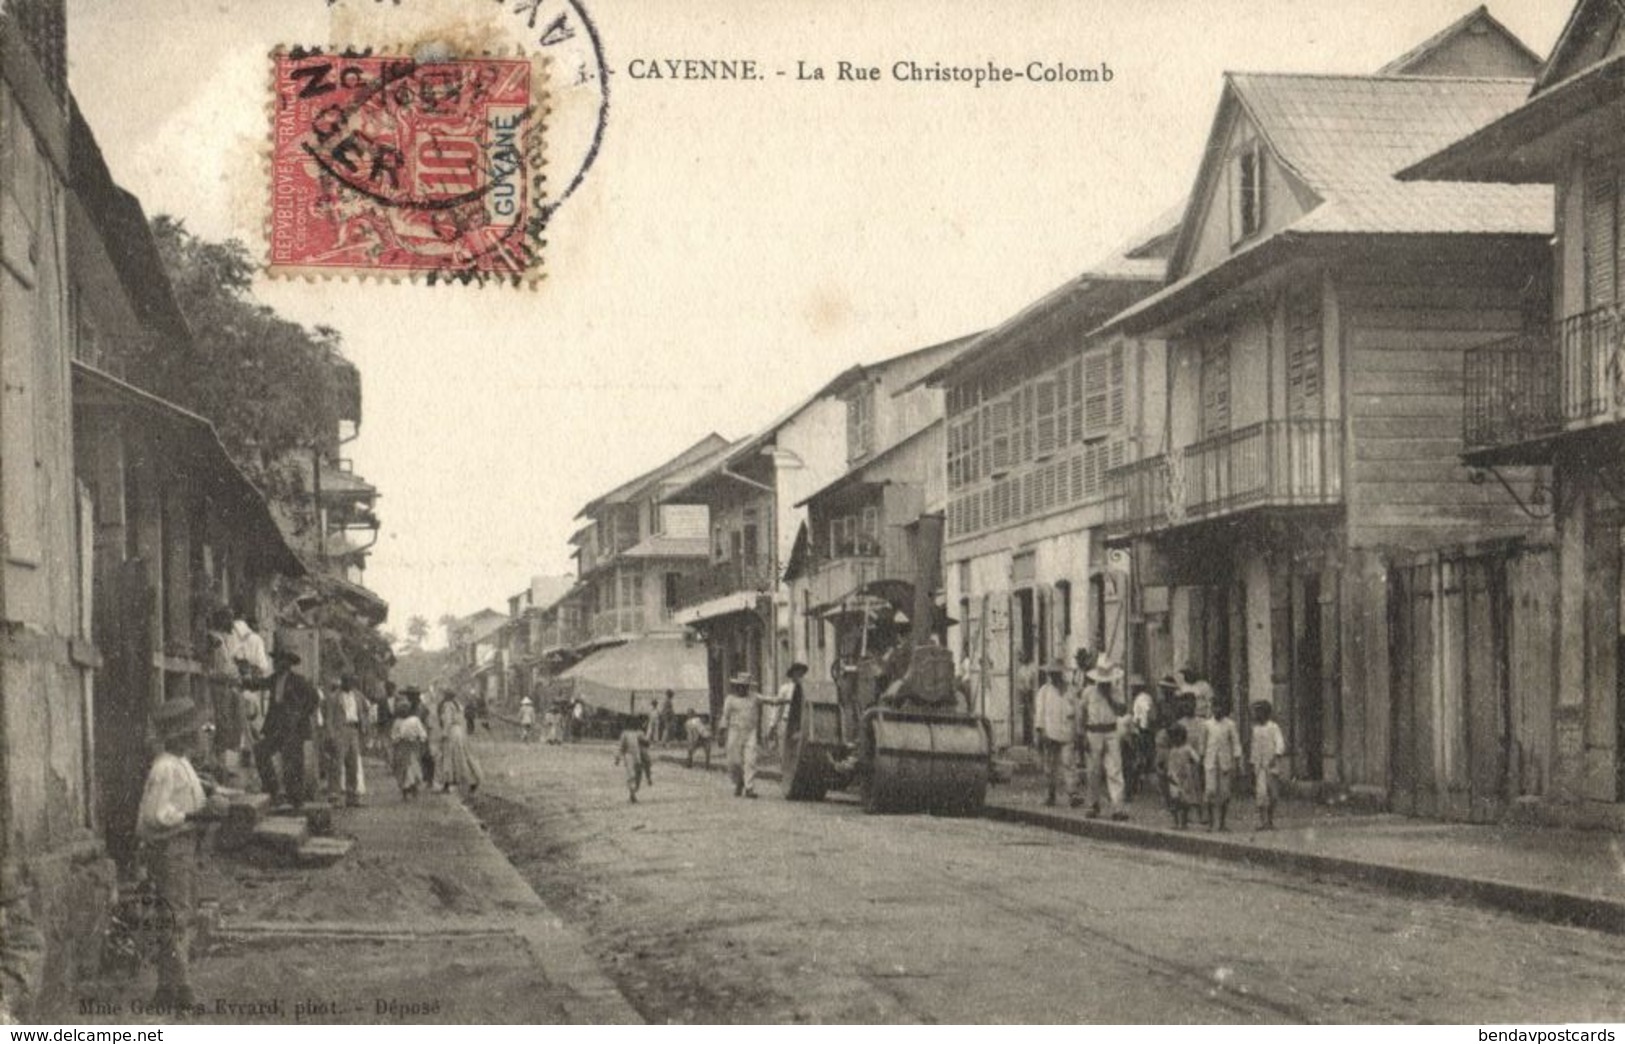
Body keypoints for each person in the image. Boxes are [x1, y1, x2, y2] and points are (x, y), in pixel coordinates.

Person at [137, 698, 226, 1009]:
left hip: (183, 847)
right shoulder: (164, 767)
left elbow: (187, 791)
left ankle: (165, 988)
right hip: (171, 847)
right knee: (177, 916)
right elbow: (155, 814)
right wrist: (193, 817)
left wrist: (206, 790)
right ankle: (184, 990)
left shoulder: (181, 763)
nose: (202, 735)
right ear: (182, 736)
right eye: (196, 731)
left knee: (175, 915)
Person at [247, 645, 319, 809]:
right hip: (276, 726)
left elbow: (314, 699)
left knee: (293, 762)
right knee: (261, 751)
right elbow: (259, 683)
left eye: (279, 660)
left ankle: (296, 800)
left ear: (287, 663)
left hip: (293, 728)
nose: (276, 663)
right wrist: (243, 681)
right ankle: (272, 791)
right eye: (276, 660)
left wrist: (300, 715)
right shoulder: (274, 678)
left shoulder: (298, 680)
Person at [719, 671, 791, 798]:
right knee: (733, 762)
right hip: (734, 733)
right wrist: (721, 732)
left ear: (748, 687)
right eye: (741, 686)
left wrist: (786, 700)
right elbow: (725, 716)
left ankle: (749, 788)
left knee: (750, 760)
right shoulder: (730, 700)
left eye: (745, 686)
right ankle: (739, 781)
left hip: (750, 732)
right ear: (736, 686)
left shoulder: (754, 697)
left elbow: (771, 700)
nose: (743, 688)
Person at [1080, 654, 1129, 820]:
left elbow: (1122, 711)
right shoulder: (1088, 692)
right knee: (1093, 770)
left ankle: (1118, 807)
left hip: (1111, 731)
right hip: (1093, 732)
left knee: (1115, 769)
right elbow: (1082, 714)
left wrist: (1110, 698)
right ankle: (1093, 804)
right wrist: (1082, 735)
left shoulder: (1116, 691)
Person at [1032, 659, 1076, 807]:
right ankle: (1050, 795)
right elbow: (1040, 713)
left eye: (1057, 674)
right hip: (1050, 733)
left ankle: (1072, 793)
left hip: (1067, 731)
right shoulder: (1044, 691)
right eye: (1052, 674)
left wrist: (1077, 730)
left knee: (1068, 762)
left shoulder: (1071, 690)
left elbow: (1076, 711)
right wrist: (1040, 731)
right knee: (1049, 766)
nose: (1054, 676)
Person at [323, 674, 368, 807]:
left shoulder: (358, 696)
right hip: (340, 731)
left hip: (353, 730)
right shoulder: (334, 697)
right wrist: (331, 734)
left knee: (353, 763)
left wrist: (364, 725)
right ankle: (334, 796)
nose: (349, 684)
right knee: (337, 763)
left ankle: (352, 796)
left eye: (351, 682)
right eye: (346, 681)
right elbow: (329, 717)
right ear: (342, 682)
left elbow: (365, 710)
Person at [1202, 691, 1244, 832]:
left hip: (1225, 762)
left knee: (1225, 793)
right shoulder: (1207, 724)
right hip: (1210, 762)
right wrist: (1201, 758)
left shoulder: (1230, 725)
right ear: (1211, 708)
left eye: (1220, 707)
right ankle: (1210, 823)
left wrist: (1237, 761)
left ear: (1224, 708)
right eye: (1215, 706)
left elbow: (1236, 743)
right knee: (1210, 791)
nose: (1217, 710)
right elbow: (1203, 743)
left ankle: (1222, 823)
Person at [436, 690, 483, 793]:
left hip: (452, 732)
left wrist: (444, 733)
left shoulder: (448, 706)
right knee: (461, 756)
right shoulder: (457, 705)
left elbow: (448, 721)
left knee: (450, 757)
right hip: (459, 732)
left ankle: (452, 783)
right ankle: (470, 780)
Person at [1250, 700, 1286, 830]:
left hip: (1271, 765)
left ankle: (1270, 820)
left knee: (1273, 795)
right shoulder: (1255, 729)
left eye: (1259, 711)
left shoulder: (1273, 727)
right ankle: (1262, 821)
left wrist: (1276, 756)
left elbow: (1280, 743)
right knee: (1261, 794)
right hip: (1259, 766)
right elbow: (1254, 748)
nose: (1256, 715)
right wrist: (1253, 763)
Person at [1163, 722, 1200, 830]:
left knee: (1184, 801)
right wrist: (1169, 774)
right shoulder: (1172, 750)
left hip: (1185, 778)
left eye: (1176, 737)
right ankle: (1176, 822)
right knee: (1174, 800)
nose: (1174, 740)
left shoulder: (1187, 749)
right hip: (1174, 778)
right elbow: (1170, 764)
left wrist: (1190, 767)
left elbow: (1196, 759)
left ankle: (1183, 823)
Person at [389, 696, 428, 799]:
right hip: (402, 747)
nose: (403, 711)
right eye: (401, 709)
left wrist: (421, 739)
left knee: (413, 768)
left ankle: (414, 788)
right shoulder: (397, 722)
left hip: (413, 747)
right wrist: (398, 739)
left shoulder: (415, 720)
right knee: (403, 769)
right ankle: (405, 792)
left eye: (405, 709)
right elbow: (393, 735)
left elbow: (422, 732)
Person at [614, 726, 651, 803]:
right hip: (632, 756)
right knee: (634, 776)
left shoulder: (629, 734)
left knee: (635, 777)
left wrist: (618, 758)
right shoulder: (635, 733)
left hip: (633, 757)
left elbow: (620, 747)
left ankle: (632, 794)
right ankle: (632, 794)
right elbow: (647, 744)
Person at [1012, 651, 1038, 747]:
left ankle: (1032, 738)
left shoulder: (1030, 668)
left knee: (1031, 716)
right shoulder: (1022, 670)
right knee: (1025, 716)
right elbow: (1022, 684)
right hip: (1024, 694)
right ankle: (1026, 738)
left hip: (1030, 694)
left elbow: (1030, 683)